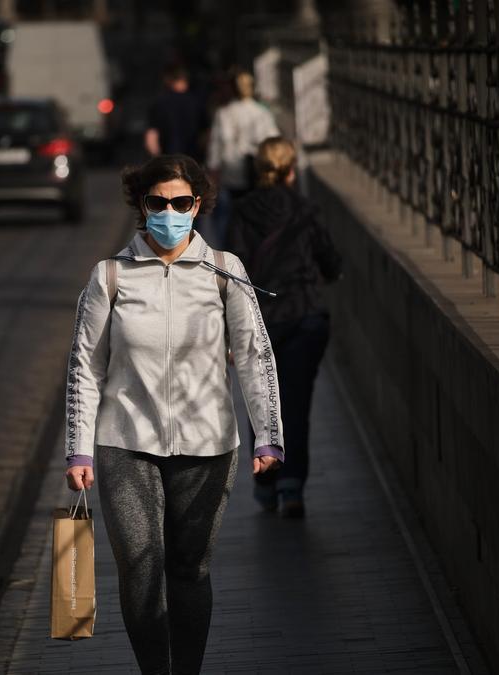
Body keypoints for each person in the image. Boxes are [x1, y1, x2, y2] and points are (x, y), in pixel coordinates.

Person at [64, 154, 283, 674]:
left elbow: (255, 355)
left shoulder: (226, 272)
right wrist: (79, 447)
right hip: (125, 442)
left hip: (208, 446)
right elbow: (84, 367)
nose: (169, 211)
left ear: (198, 205)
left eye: (180, 202)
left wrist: (267, 435)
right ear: (142, 206)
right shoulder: (110, 276)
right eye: (157, 202)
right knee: (140, 570)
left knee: (188, 569)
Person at [226, 137, 343, 518]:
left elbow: (233, 270)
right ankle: (292, 486)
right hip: (305, 316)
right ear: (292, 170)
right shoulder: (306, 209)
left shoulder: (242, 211)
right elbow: (329, 260)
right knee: (296, 402)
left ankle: (266, 482)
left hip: (260, 322)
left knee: (260, 400)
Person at [207, 70, 279, 201]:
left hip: (231, 172)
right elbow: (274, 143)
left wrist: (213, 171)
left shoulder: (223, 113)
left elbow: (215, 146)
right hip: (257, 171)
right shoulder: (262, 113)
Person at [144, 65, 208, 163]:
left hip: (168, 160)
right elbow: (205, 135)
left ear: (168, 80)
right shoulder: (197, 102)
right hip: (192, 162)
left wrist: (156, 159)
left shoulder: (160, 103)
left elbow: (152, 136)